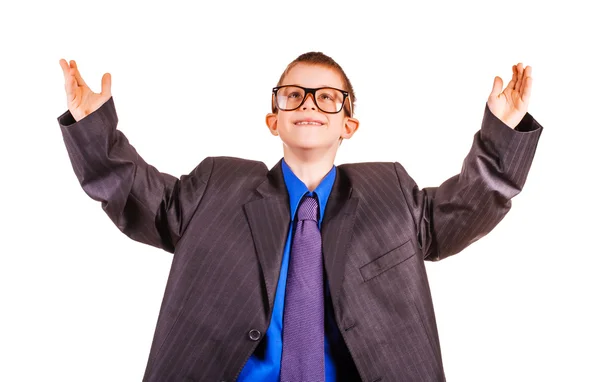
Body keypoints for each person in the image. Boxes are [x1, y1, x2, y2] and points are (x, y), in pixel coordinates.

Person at [57, 52, 542, 382]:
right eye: (294, 95)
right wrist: (93, 129)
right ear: (274, 119)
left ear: (348, 123)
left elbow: (466, 209)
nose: (309, 103)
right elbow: (138, 197)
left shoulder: (389, 191)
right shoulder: (217, 184)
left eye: (327, 97)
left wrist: (503, 132)